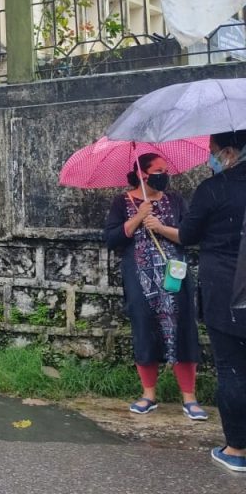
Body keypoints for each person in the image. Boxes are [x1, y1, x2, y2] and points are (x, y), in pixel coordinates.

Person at [104, 153, 204, 421]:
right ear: (142, 174)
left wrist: (160, 227)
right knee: (144, 330)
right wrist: (138, 217)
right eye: (159, 170)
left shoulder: (175, 201)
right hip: (141, 281)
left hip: (175, 277)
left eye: (166, 169)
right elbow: (112, 239)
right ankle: (149, 395)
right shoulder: (121, 202)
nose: (164, 174)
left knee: (184, 329)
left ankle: (189, 397)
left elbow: (189, 235)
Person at [174, 131, 246, 472]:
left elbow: (188, 236)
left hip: (227, 291)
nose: (211, 158)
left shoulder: (212, 189)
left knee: (232, 370)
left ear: (229, 153)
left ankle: (236, 450)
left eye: (213, 152)